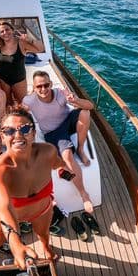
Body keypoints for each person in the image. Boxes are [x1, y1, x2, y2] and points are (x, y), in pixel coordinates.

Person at [0, 107, 71, 269]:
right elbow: (4, 207)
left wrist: (64, 170)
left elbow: (59, 164)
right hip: (12, 217)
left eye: (24, 129)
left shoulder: (48, 152)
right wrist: (16, 243)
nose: (18, 135)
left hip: (42, 210)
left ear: (33, 133)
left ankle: (47, 250)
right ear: (2, 137)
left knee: (44, 235)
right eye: (9, 131)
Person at [22, 71, 94, 213]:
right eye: (39, 86)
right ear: (34, 88)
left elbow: (90, 106)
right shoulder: (29, 101)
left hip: (67, 122)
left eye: (46, 85)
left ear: (51, 84)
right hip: (53, 133)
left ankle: (80, 148)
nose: (43, 89)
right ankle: (84, 195)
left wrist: (74, 100)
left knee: (85, 113)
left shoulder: (61, 94)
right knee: (67, 157)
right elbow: (19, 114)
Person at [0, 21, 43, 104]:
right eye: (2, 31)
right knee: (7, 103)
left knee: (23, 103)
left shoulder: (21, 43)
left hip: (19, 80)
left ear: (12, 30)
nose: (5, 33)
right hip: (3, 79)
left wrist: (29, 40)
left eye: (7, 29)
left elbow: (40, 49)